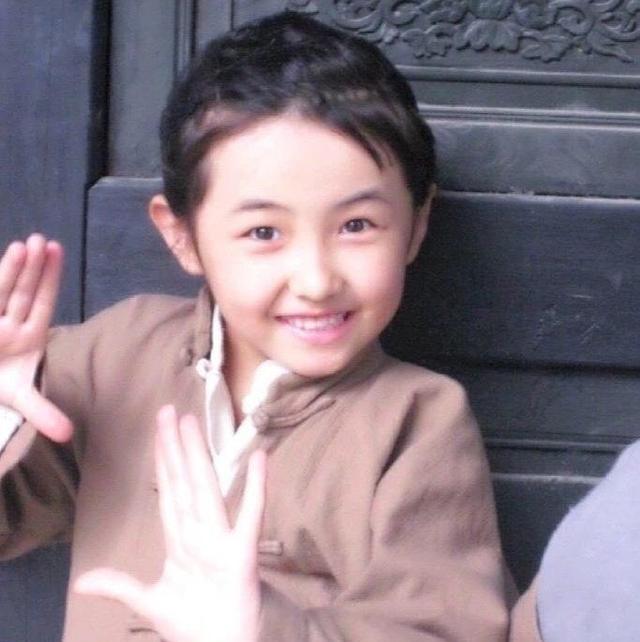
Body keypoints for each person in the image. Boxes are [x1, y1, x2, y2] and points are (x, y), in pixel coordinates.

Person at [0, 11, 513, 642]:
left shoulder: (417, 423)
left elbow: (442, 630)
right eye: (264, 232)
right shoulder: (117, 354)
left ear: (416, 223)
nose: (317, 280)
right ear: (181, 236)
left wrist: (260, 630)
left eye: (356, 226)